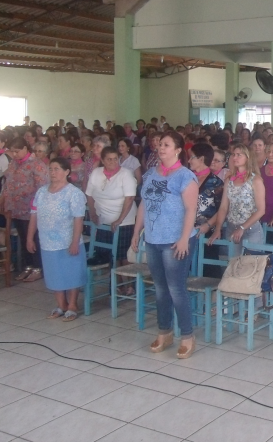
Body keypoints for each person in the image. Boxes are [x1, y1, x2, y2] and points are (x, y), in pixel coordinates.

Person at [130, 131, 199, 359]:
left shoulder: (185, 176)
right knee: (160, 289)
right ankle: (164, 332)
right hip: (153, 238)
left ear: (178, 150)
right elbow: (143, 205)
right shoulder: (151, 174)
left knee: (176, 289)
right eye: (160, 144)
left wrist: (183, 238)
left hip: (175, 240)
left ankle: (187, 336)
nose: (161, 148)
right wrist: (136, 232)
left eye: (167, 145)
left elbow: (191, 210)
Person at [29, 157, 87, 321]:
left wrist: (75, 241)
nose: (53, 173)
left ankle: (73, 305)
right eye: (51, 169)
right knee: (54, 273)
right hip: (47, 241)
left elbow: (78, 219)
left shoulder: (74, 193)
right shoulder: (41, 192)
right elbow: (34, 215)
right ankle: (61, 304)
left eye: (57, 169)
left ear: (67, 172)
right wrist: (29, 237)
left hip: (68, 240)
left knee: (71, 272)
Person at [0, 138, 49, 282]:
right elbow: (8, 182)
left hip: (31, 209)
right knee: (23, 237)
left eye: (17, 151)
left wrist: (38, 206)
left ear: (26, 149)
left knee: (33, 238)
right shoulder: (13, 164)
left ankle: (38, 267)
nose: (14, 154)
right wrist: (5, 198)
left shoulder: (36, 164)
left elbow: (43, 187)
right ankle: (28, 266)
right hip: (16, 208)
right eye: (12, 151)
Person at [86, 146, 138, 281]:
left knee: (123, 255)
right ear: (102, 160)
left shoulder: (125, 174)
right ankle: (116, 284)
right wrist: (93, 213)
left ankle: (128, 285)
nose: (113, 162)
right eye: (109, 159)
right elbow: (89, 195)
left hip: (125, 220)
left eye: (116, 159)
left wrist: (119, 219)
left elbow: (130, 198)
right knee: (109, 254)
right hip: (104, 220)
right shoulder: (96, 173)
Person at [211, 144, 265, 249]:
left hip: (250, 229)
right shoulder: (229, 180)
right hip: (231, 227)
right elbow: (223, 207)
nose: (234, 158)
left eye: (239, 155)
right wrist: (218, 228)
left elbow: (261, 210)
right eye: (233, 155)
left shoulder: (256, 180)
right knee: (230, 263)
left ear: (248, 157)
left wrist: (242, 227)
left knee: (249, 264)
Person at [188, 143, 223, 272]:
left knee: (208, 271)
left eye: (192, 157)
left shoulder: (216, 183)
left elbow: (223, 209)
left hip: (207, 231)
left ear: (201, 159)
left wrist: (207, 225)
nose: (189, 160)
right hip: (186, 229)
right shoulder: (186, 178)